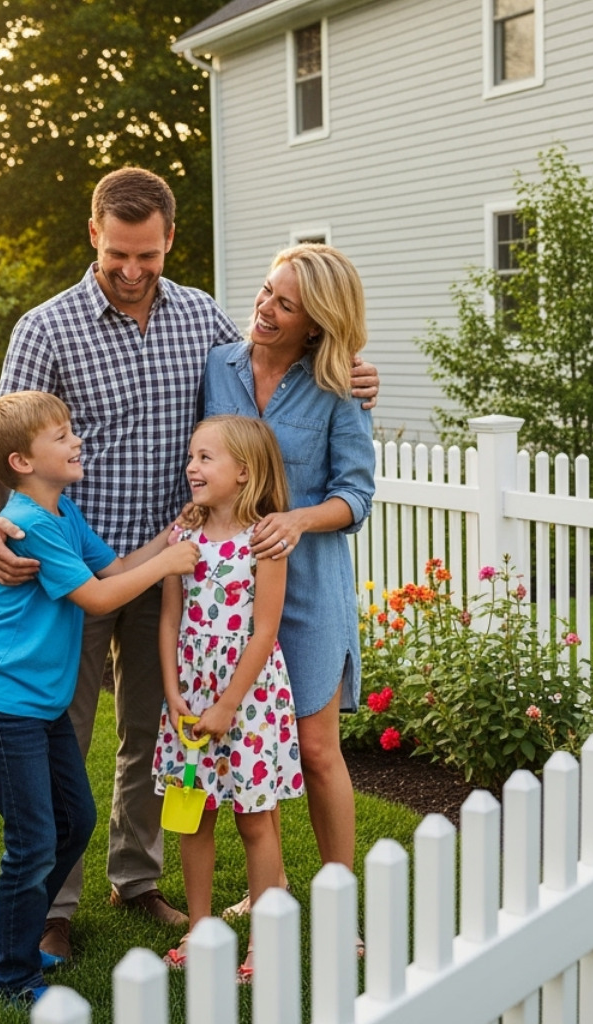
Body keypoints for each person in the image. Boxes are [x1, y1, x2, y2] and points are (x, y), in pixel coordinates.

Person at [0, 168, 378, 963]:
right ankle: (55, 903)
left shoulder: (202, 321)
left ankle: (138, 877)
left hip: (183, 574)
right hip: (85, 571)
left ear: (169, 243)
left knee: (153, 735)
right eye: (119, 251)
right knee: (68, 728)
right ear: (94, 234)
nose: (131, 269)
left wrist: (355, 372)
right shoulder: (48, 328)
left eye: (147, 254)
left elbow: (308, 405)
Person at [0, 391, 199, 1005]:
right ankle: (12, 976)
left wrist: (173, 536)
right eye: (60, 436)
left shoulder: (62, 512)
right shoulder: (31, 524)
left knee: (77, 821)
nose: (76, 441)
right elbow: (96, 599)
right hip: (3, 704)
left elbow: (115, 570)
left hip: (39, 705)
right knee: (33, 838)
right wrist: (170, 561)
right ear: (21, 461)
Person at [202, 244, 375, 918]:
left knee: (315, 748)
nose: (265, 310)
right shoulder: (216, 366)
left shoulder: (338, 388)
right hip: (228, 595)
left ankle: (339, 903)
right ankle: (265, 891)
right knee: (250, 743)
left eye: (285, 304)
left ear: (317, 323)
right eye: (267, 292)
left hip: (309, 591)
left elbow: (356, 496)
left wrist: (300, 519)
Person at [153, 416, 300, 981]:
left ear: (244, 471)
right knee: (194, 814)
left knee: (255, 817)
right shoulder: (181, 538)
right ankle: (201, 927)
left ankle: (265, 940)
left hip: (248, 697)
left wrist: (227, 704)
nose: (192, 467)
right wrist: (173, 692)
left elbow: (264, 631)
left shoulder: (265, 540)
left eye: (206, 457)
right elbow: (170, 621)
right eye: (191, 456)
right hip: (190, 694)